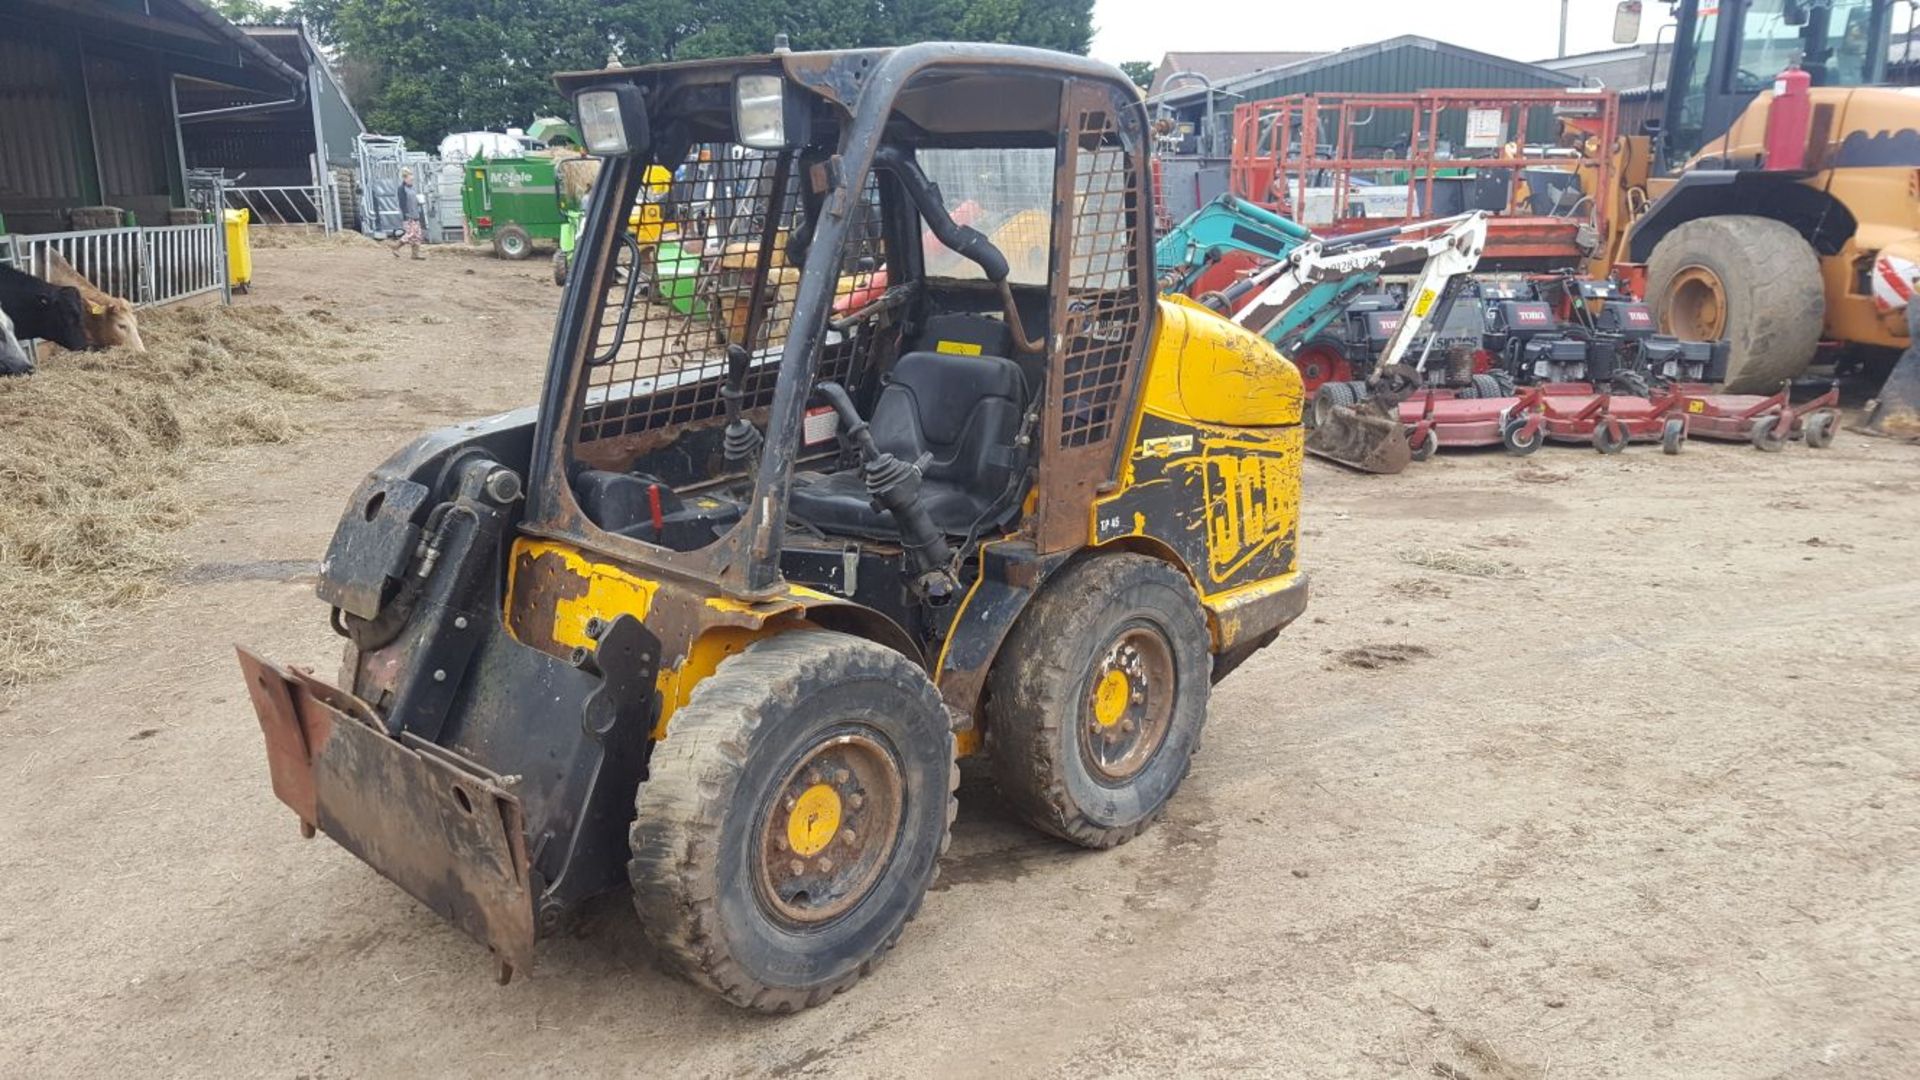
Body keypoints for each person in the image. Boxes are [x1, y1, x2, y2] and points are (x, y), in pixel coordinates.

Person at [391, 168, 425, 260]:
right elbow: (402, 203)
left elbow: (414, 200)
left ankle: (415, 254)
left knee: (417, 234)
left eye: (412, 179)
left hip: (415, 213)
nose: (412, 181)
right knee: (411, 233)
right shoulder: (401, 189)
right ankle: (396, 247)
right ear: (405, 179)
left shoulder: (412, 188)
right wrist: (406, 214)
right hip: (408, 215)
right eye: (410, 179)